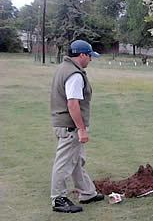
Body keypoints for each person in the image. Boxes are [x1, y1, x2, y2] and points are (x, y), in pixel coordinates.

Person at [49, 40, 104, 213]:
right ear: (82, 55)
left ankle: (87, 193)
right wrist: (81, 129)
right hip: (70, 127)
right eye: (89, 56)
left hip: (62, 123)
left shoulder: (62, 68)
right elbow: (73, 104)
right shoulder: (75, 75)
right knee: (64, 163)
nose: (90, 60)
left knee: (76, 161)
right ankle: (58, 198)